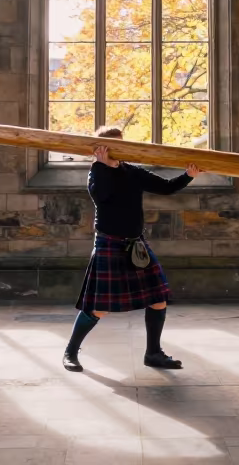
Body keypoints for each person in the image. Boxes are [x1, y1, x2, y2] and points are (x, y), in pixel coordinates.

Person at [62, 126, 201, 372]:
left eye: (122, 143)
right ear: (102, 149)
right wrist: (103, 165)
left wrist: (188, 175)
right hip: (109, 244)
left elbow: (167, 187)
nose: (121, 149)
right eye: (115, 145)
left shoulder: (132, 171)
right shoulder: (97, 173)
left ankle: (153, 353)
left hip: (136, 244)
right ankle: (70, 352)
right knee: (99, 308)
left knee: (158, 299)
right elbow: (101, 197)